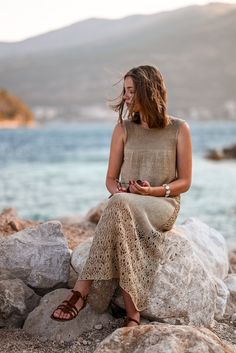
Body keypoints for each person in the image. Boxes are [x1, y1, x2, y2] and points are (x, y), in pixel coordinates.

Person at [51, 65, 192, 327]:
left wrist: (152, 191)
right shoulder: (123, 129)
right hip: (126, 202)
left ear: (148, 91)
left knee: (118, 206)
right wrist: (122, 191)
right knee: (119, 206)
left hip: (162, 204)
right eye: (125, 91)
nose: (125, 97)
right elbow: (110, 180)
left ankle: (81, 292)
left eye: (130, 90)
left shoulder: (179, 129)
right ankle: (133, 315)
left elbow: (184, 182)